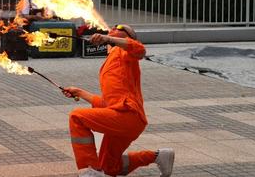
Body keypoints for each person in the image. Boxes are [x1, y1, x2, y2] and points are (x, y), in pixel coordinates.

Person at [62, 24, 175, 177]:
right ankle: (157, 156)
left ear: (128, 37)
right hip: (124, 117)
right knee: (109, 167)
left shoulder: (124, 51)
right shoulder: (113, 57)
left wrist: (109, 38)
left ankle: (90, 171)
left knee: (77, 117)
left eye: (119, 27)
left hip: (128, 115)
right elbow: (108, 104)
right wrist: (79, 92)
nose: (113, 28)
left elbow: (140, 50)